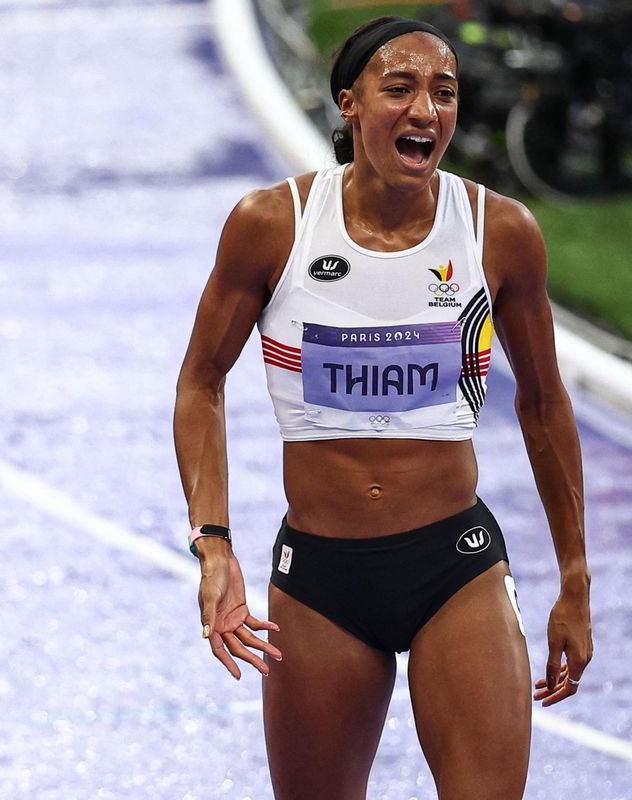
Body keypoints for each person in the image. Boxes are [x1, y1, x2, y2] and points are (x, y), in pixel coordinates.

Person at [173, 17, 592, 799]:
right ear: (349, 106)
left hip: (455, 567)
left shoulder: (499, 233)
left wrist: (575, 579)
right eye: (399, 89)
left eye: (444, 93)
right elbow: (200, 382)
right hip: (319, 581)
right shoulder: (273, 227)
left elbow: (543, 404)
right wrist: (214, 545)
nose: (425, 111)